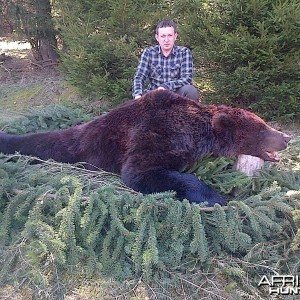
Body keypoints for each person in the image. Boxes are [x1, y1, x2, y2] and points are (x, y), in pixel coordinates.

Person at [132, 20, 199, 101]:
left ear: (175, 36)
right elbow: (139, 77)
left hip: (176, 96)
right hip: (154, 96)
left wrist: (165, 86)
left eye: (169, 35)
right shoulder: (149, 52)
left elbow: (187, 79)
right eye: (163, 36)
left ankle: (188, 113)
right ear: (157, 37)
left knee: (191, 91)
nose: (166, 40)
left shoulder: (184, 52)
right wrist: (138, 96)